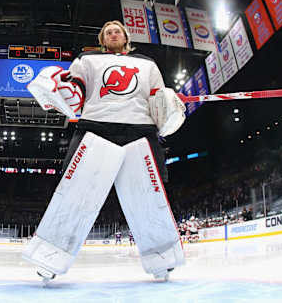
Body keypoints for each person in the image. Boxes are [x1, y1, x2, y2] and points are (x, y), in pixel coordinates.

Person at [23, 20, 186, 282]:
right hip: (95, 125)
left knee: (147, 196)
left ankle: (162, 257)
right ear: (102, 38)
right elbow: (74, 89)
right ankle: (50, 257)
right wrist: (57, 90)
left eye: (117, 29)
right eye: (107, 30)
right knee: (75, 193)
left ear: (125, 37)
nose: (112, 32)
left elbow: (157, 97)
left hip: (140, 129)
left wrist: (167, 108)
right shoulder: (88, 59)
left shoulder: (147, 64)